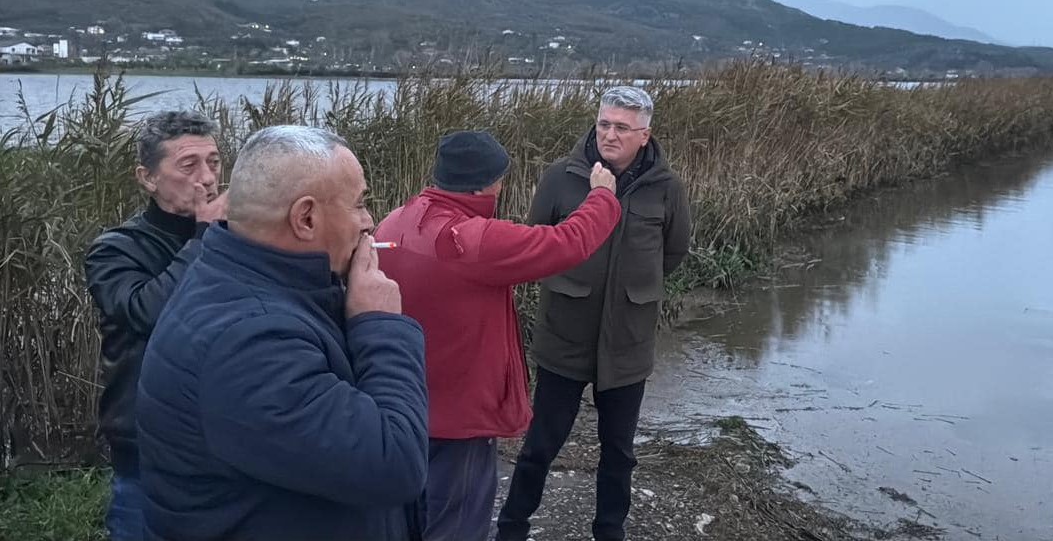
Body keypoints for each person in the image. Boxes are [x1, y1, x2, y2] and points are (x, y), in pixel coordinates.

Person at [135, 125, 429, 541]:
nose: (368, 222)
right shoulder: (248, 342)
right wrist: (380, 325)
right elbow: (394, 464)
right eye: (359, 204)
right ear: (305, 218)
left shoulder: (237, 277)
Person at [375, 130, 623, 541]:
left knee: (411, 516)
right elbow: (567, 242)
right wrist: (602, 196)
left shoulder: (394, 222)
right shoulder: (472, 239)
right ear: (487, 183)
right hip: (463, 418)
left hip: (408, 408)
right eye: (501, 178)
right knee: (457, 525)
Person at [498, 87, 692, 541]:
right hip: (565, 335)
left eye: (622, 127)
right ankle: (511, 527)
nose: (609, 134)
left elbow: (674, 251)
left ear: (645, 134)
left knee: (619, 452)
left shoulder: (666, 188)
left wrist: (631, 289)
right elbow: (537, 241)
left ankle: (609, 531)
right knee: (540, 446)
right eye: (604, 124)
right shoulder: (563, 177)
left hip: (628, 342)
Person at [85, 111, 227, 541]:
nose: (207, 178)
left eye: (215, 162)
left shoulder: (236, 238)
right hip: (148, 451)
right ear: (147, 178)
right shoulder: (116, 250)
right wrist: (204, 237)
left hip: (225, 443)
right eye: (189, 165)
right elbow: (150, 313)